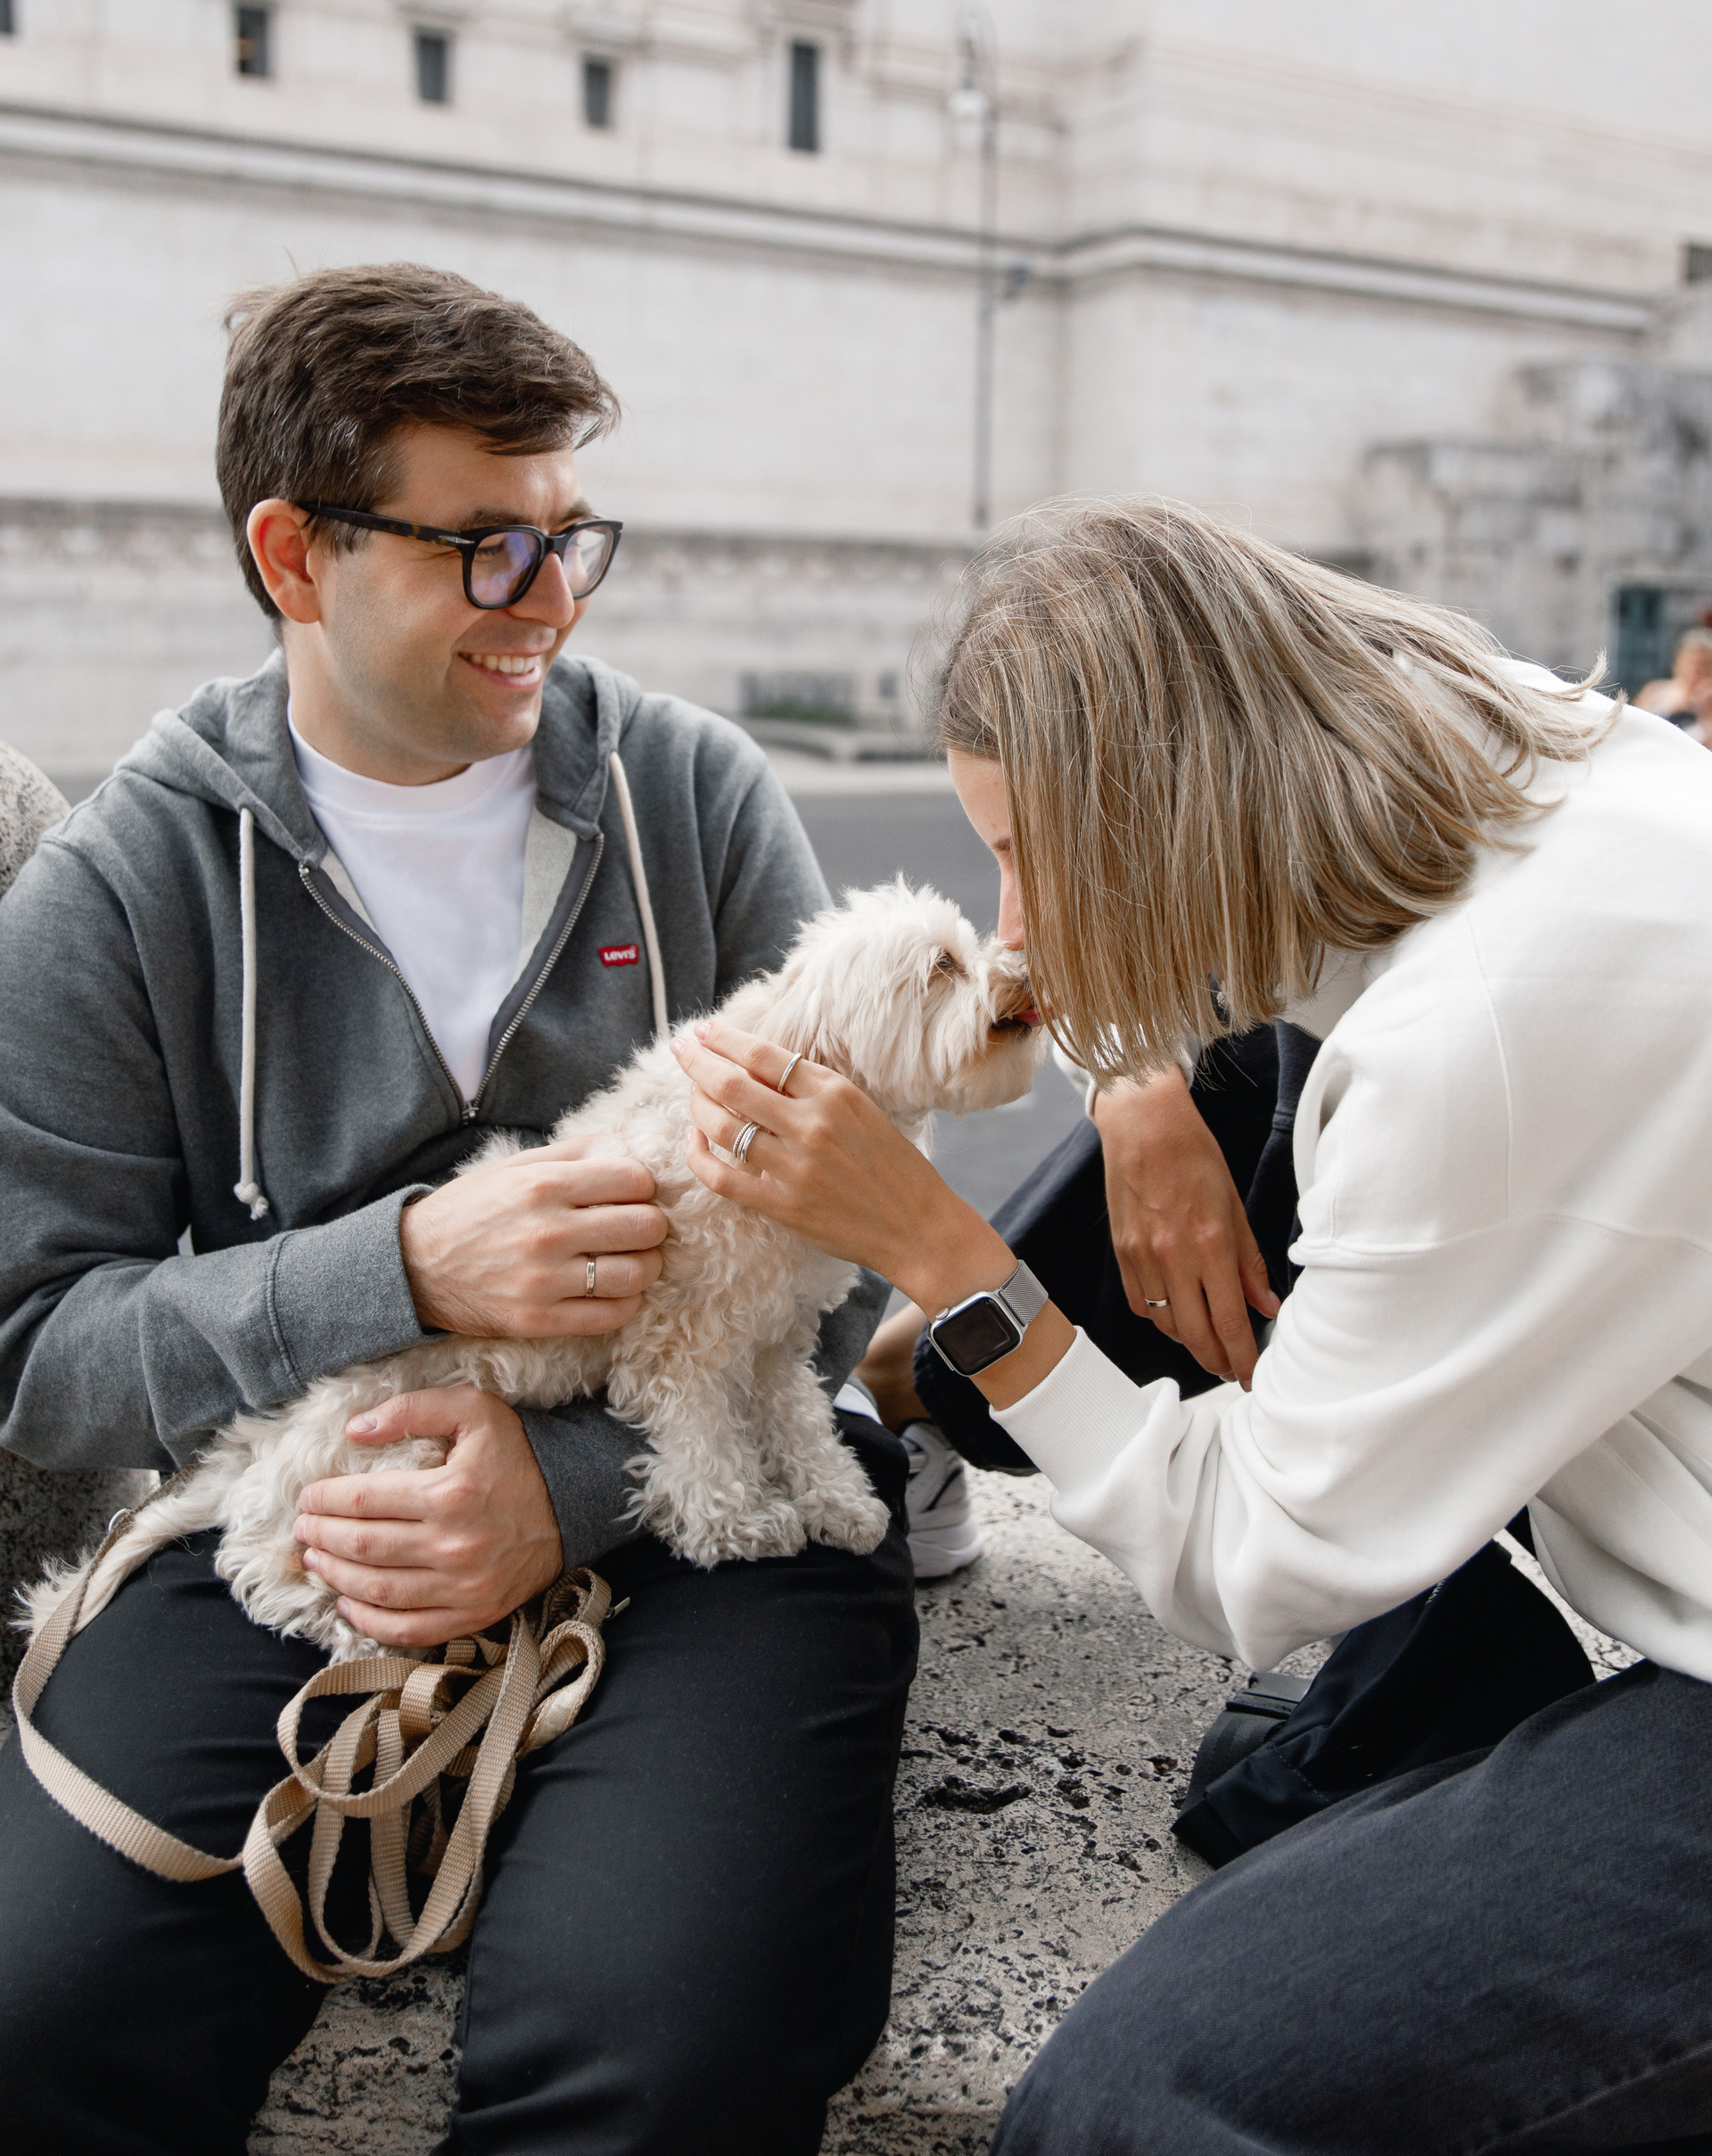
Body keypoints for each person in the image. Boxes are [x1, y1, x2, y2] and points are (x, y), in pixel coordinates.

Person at [0, 264, 916, 2156]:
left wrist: (560, 1489)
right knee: (35, 2011)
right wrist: (399, 1268)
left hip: (710, 1506)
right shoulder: (122, 884)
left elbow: (836, 1259)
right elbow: (38, 1353)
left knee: (661, 2051)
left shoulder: (696, 796)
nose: (552, 600)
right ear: (296, 554)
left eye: (572, 537)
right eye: (487, 548)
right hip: (286, 1515)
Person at [673, 498, 1712, 2153]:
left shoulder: (1480, 1043)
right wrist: (1140, 1085)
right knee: (1232, 1078)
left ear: (1178, 805)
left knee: (1137, 2097)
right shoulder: (1496, 742)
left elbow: (1252, 1558)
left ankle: (929, 1397)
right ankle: (945, 1415)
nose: (1013, 926)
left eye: (1027, 856)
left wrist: (945, 1255)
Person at [1637, 622, 1712, 745]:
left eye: (1704, 664)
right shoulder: (1655, 690)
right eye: (1691, 663)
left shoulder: (1708, 700)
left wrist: (1705, 710)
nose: (1696, 671)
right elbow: (1636, 726)